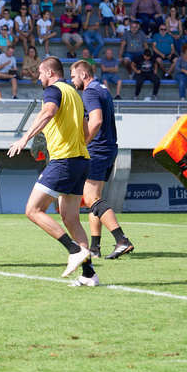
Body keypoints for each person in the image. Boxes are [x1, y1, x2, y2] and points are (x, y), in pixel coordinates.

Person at [7, 57, 99, 286]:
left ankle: (73, 250)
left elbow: (48, 112)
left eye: (40, 73)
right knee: (71, 219)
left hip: (64, 161)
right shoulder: (74, 94)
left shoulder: (53, 90)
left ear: (49, 72)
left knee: (32, 209)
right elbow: (86, 125)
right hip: (81, 160)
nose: (39, 77)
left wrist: (25, 138)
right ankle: (89, 274)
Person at [70, 61, 135, 260]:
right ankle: (95, 247)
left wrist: (84, 142)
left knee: (90, 198)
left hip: (97, 150)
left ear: (83, 75)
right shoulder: (103, 89)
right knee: (94, 199)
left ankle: (121, 239)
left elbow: (96, 120)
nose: (72, 81)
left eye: (73, 77)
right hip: (108, 149)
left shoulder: (89, 92)